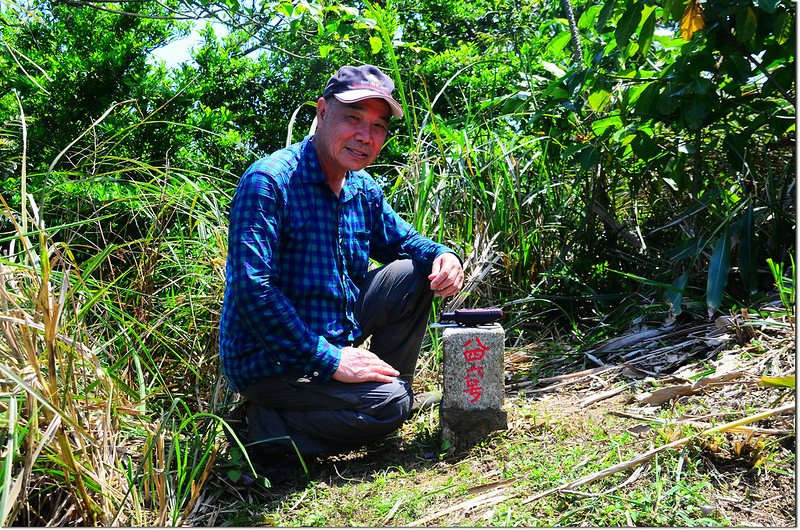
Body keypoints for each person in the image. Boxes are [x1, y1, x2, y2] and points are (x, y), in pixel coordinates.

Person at [218, 64, 464, 480]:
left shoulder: (362, 188)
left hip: (334, 329)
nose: (365, 136)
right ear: (321, 112)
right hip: (270, 357)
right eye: (353, 118)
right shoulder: (270, 181)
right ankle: (263, 433)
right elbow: (251, 288)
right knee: (391, 405)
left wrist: (443, 255)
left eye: (378, 126)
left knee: (413, 272)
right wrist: (328, 359)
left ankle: (375, 393)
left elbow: (404, 243)